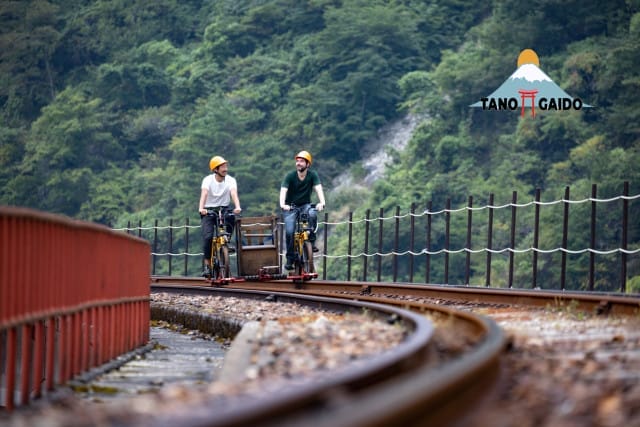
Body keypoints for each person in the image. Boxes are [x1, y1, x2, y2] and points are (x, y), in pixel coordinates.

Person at [279, 150, 326, 271]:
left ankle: (311, 241)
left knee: (312, 214)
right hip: (291, 207)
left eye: (301, 161)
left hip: (305, 205)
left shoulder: (312, 175)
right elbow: (283, 190)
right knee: (290, 232)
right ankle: (290, 257)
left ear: (308, 164)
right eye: (297, 161)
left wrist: (322, 202)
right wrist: (283, 204)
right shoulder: (290, 176)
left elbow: (318, 188)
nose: (298, 163)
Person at [199, 156, 242, 277]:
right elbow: (204, 193)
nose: (225, 169)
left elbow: (233, 193)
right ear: (215, 169)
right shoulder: (207, 180)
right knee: (208, 237)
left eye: (225, 166)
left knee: (231, 217)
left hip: (224, 208)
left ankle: (226, 240)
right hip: (209, 210)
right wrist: (201, 208)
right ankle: (207, 265)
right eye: (222, 167)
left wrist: (237, 206)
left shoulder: (231, 180)